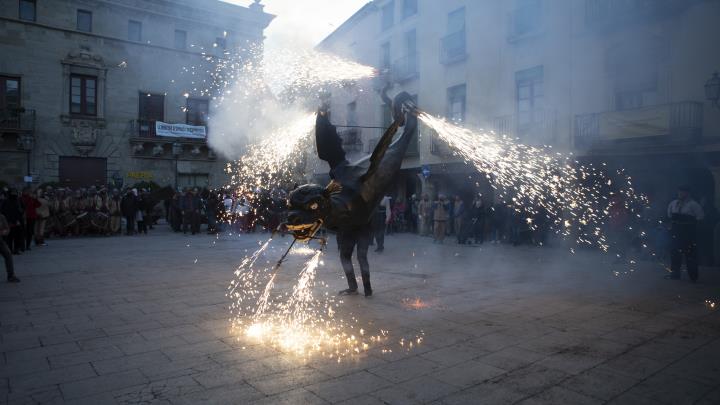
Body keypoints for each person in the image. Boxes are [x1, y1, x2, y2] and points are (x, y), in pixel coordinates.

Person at [667, 185, 704, 281]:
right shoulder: (673, 203)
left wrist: (689, 222)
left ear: (688, 193)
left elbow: (700, 217)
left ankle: (693, 277)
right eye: (679, 192)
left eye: (683, 192)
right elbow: (669, 216)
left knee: (690, 254)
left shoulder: (694, 205)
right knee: (675, 253)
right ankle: (675, 275)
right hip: (676, 231)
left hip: (688, 233)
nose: (681, 194)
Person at [0, 213, 19, 282]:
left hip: (0, 241)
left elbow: (7, 229)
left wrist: (3, 232)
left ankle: (11, 275)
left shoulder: (1, 216)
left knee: (8, 254)